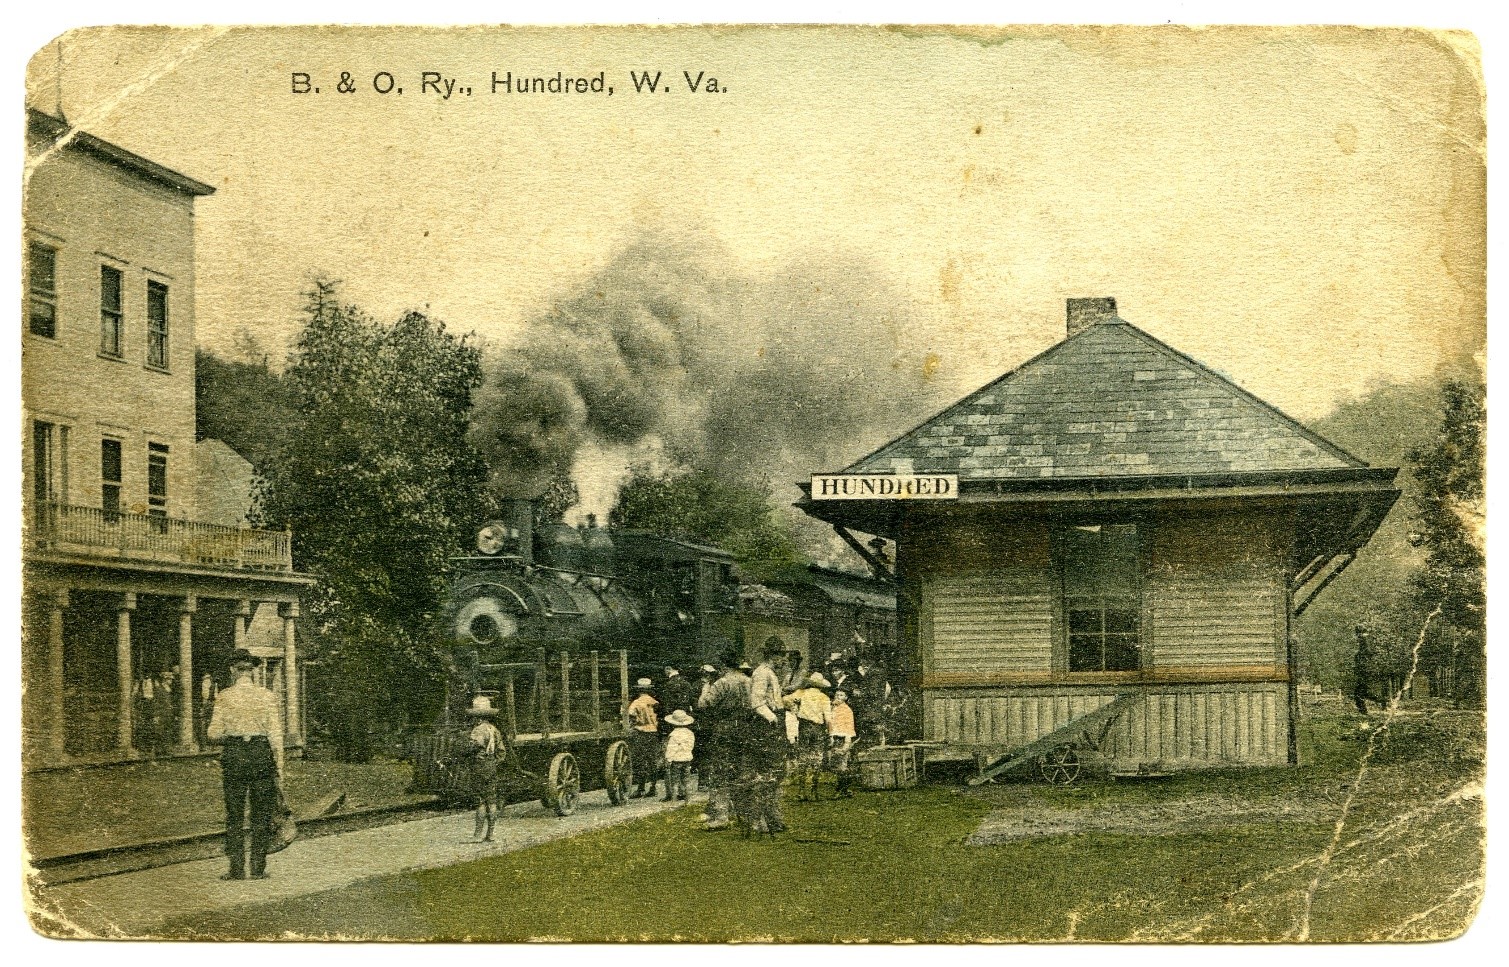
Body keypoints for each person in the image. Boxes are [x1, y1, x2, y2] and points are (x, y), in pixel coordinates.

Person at [207, 649, 284, 881]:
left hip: (235, 755)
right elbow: (276, 736)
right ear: (252, 671)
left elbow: (212, 734)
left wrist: (232, 734)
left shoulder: (225, 697)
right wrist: (280, 769)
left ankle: (237, 869)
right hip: (261, 755)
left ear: (233, 670)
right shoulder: (267, 696)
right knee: (261, 814)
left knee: (235, 814)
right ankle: (258, 868)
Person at [740, 639, 791, 835]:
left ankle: (772, 819)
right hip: (766, 726)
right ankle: (758, 820)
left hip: (774, 722)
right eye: (781, 657)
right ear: (773, 656)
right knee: (767, 774)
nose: (783, 661)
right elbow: (756, 702)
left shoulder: (770, 673)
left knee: (775, 774)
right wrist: (773, 719)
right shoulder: (762, 673)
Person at [697, 651, 752, 830]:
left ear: (723, 666)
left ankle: (721, 816)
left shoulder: (722, 682)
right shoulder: (748, 681)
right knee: (740, 770)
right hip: (745, 727)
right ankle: (743, 814)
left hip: (725, 727)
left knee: (720, 772)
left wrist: (706, 685)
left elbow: (704, 704)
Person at [783, 672, 833, 800]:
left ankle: (801, 791)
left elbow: (784, 699)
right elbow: (828, 719)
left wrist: (796, 707)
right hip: (818, 728)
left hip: (804, 726)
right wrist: (831, 734)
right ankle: (814, 792)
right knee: (816, 758)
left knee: (803, 757)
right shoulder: (824, 697)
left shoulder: (801, 693)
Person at [464, 695, 504, 841]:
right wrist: (493, 763)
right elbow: (501, 752)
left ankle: (477, 835)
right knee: (492, 801)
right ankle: (491, 834)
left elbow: (473, 747)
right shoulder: (494, 730)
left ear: (477, 717)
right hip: (491, 766)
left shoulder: (477, 731)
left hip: (479, 767)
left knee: (480, 801)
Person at [625, 677, 661, 799]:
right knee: (652, 760)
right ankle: (653, 787)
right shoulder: (655, 702)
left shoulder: (636, 703)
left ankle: (641, 788)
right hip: (653, 732)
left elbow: (631, 716)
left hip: (641, 732)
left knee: (640, 760)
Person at [827, 689, 857, 797]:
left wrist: (847, 743)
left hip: (843, 738)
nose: (838, 697)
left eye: (841, 695)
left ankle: (842, 789)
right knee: (835, 765)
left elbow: (849, 727)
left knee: (842, 764)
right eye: (837, 695)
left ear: (845, 697)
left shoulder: (847, 710)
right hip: (833, 738)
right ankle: (844, 789)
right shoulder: (832, 708)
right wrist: (830, 736)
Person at [662, 709, 696, 802]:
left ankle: (673, 800)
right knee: (687, 780)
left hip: (676, 761)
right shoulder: (690, 733)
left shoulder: (673, 735)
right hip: (687, 759)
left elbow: (671, 749)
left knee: (675, 781)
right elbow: (691, 746)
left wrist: (668, 759)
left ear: (673, 723)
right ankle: (688, 801)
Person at [1352, 625, 1384, 714]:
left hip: (1364, 669)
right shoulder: (1368, 639)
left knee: (1359, 692)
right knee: (1363, 692)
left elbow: (1368, 652)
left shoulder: (1365, 640)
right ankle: (1381, 700)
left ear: (1359, 633)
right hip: (1366, 669)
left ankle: (1365, 711)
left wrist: (1358, 655)